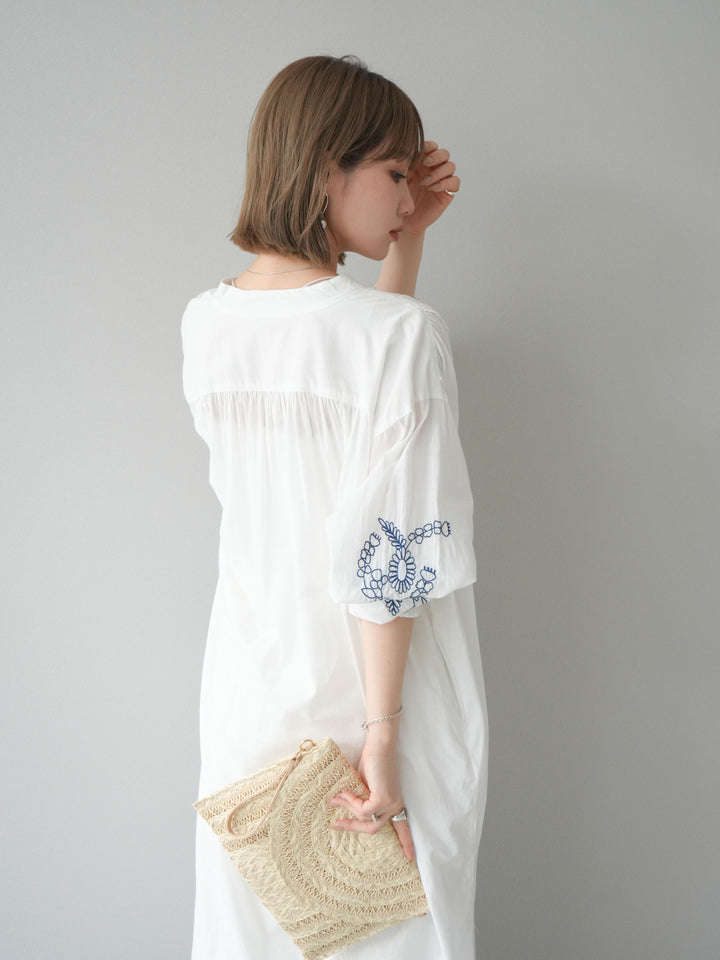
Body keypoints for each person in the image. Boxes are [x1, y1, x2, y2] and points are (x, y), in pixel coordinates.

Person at [181, 54, 488, 960]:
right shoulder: (401, 337)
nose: (407, 196)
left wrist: (407, 245)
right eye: (394, 173)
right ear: (325, 168)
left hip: (251, 694)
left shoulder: (207, 323)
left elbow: (357, 390)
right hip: (374, 700)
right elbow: (389, 553)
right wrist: (382, 737)